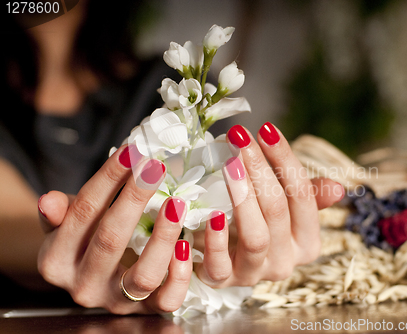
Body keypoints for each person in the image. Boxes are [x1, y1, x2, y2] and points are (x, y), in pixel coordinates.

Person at [0, 0, 344, 313]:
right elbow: (9, 221)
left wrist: (243, 236)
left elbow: (191, 192)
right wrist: (93, 246)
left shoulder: (174, 88)